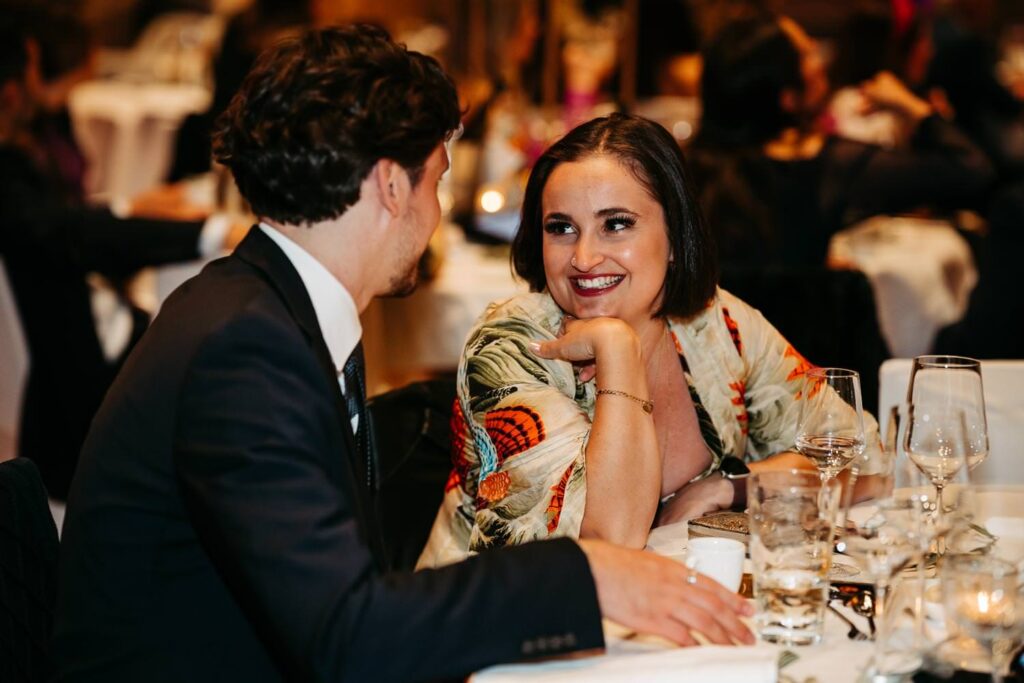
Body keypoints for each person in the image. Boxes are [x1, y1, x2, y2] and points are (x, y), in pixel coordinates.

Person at [53, 26, 754, 683]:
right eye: (436, 181)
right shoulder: (244, 349)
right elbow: (346, 634)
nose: (437, 214)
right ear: (392, 186)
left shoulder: (258, 308)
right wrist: (584, 575)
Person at [417, 112, 872, 569]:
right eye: (561, 227)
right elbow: (606, 544)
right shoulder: (514, 345)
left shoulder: (712, 323)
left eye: (616, 224)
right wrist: (618, 350)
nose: (584, 257)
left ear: (675, 235)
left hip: (671, 595)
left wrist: (727, 487)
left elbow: (861, 456)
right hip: (503, 607)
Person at [0, 19, 235, 500]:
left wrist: (130, 208)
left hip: (82, 345)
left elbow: (61, 225)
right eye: (30, 73)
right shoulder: (9, 170)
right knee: (214, 350)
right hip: (72, 391)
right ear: (11, 91)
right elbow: (68, 234)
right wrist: (210, 231)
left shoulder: (20, 157)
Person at [690, 14, 994, 268]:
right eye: (807, 53)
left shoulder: (694, 167)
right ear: (788, 98)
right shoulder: (824, 168)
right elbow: (970, 169)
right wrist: (912, 106)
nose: (820, 57)